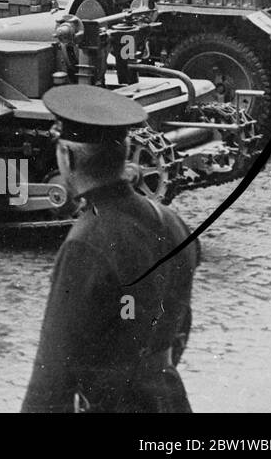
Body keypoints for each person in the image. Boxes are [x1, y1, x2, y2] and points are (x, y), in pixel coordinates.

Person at [22, 85, 199, 413]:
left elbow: (53, 371)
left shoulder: (84, 243)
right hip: (168, 400)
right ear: (127, 150)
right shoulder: (173, 222)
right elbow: (182, 323)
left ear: (68, 156)